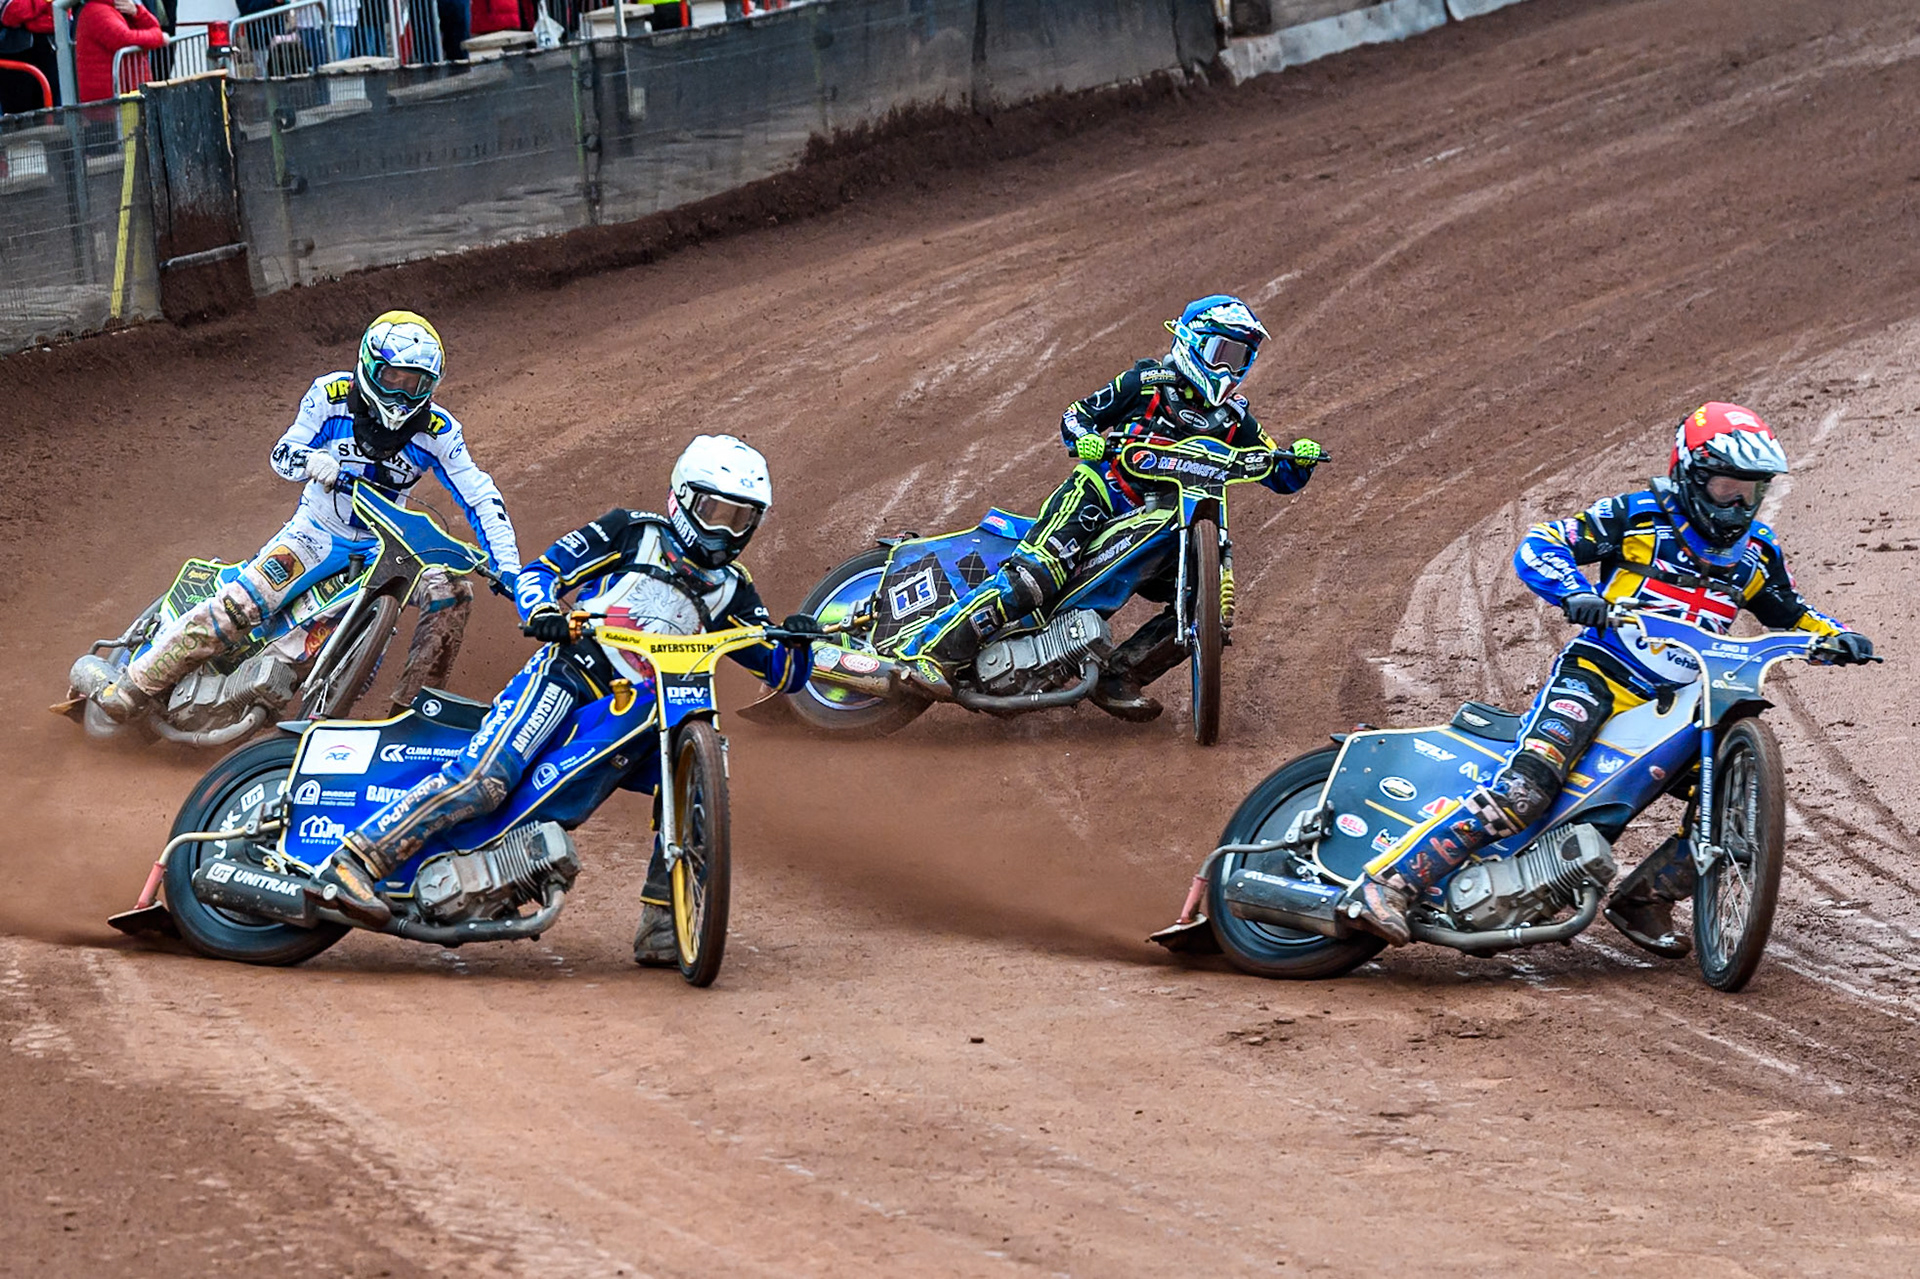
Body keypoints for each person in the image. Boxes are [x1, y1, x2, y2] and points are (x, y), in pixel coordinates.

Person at [1346, 402, 1876, 953]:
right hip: (1600, 674)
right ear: (1691, 473)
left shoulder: (1758, 554)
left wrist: (1837, 636)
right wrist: (1576, 592)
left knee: (1736, 805)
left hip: (1681, 700)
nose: (1740, 503)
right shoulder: (1638, 516)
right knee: (1526, 789)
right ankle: (1390, 883)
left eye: (1752, 490)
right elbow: (1543, 543)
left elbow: (1791, 613)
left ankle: (1645, 898)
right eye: (1727, 487)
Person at [307, 434, 819, 968]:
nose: (725, 531)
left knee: (692, 783)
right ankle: (355, 862)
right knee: (488, 778)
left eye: (741, 520)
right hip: (570, 676)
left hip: (644, 712)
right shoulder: (632, 530)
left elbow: (778, 666)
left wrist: (798, 642)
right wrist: (542, 609)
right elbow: (542, 572)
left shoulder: (734, 588)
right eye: (716, 512)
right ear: (684, 500)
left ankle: (665, 923)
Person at [893, 294, 1324, 720]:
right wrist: (1085, 438)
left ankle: (1120, 677)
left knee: (1200, 606)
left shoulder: (1233, 420)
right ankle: (930, 653)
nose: (1230, 368)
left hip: (1169, 524)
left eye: (1241, 357)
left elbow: (1278, 470)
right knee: (1036, 577)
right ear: (1193, 340)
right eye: (1222, 352)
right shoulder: (1147, 382)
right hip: (1101, 494)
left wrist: (1299, 458)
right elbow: (1078, 414)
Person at [79, 311, 521, 723]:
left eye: (417, 383)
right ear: (370, 366)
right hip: (316, 532)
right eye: (394, 377)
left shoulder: (438, 431)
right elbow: (282, 453)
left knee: (454, 592)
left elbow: (480, 495)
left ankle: (413, 717)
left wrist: (510, 567)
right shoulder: (330, 396)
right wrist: (312, 461)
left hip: (386, 545)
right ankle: (132, 688)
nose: (404, 393)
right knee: (240, 606)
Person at [74, 0, 162, 102]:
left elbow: (154, 27)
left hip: (124, 95)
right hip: (109, 102)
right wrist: (158, 36)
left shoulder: (119, 8)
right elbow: (125, 40)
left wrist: (137, 12)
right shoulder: (96, 11)